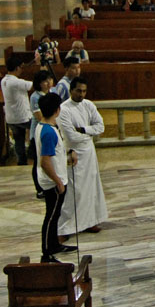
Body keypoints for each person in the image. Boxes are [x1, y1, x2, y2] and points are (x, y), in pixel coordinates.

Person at [57, 78, 108, 239]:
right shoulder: (64, 109)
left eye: (84, 91)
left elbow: (100, 127)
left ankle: (89, 221)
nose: (81, 94)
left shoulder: (88, 105)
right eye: (78, 91)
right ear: (71, 90)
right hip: (74, 153)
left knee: (91, 188)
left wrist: (84, 129)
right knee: (74, 190)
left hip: (89, 153)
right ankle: (65, 228)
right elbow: (69, 135)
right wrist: (88, 134)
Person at [34, 92, 78, 263]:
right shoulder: (48, 132)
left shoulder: (45, 127)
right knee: (51, 217)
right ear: (57, 110)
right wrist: (58, 181)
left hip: (55, 179)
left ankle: (54, 245)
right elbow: (45, 162)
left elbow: (54, 152)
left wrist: (68, 153)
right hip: (52, 182)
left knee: (55, 214)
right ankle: (46, 253)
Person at [1, 56, 33, 165]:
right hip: (22, 117)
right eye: (21, 67)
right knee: (37, 129)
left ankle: (21, 161)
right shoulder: (16, 82)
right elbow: (34, 85)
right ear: (17, 68)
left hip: (11, 117)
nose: (22, 70)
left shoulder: (3, 80)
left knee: (19, 141)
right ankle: (33, 155)